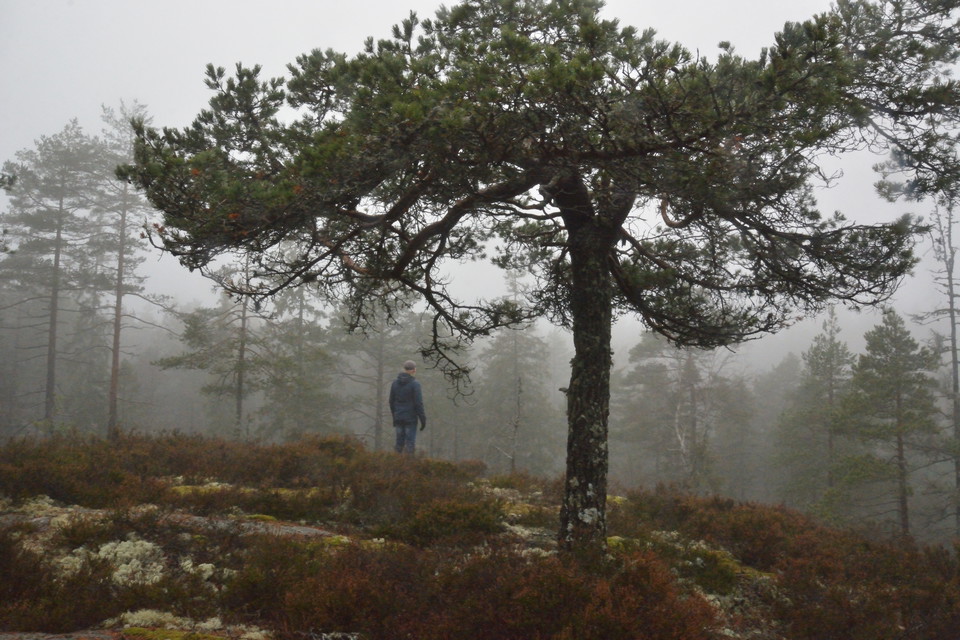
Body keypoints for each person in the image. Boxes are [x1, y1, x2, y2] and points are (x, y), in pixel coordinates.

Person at [389, 360, 427, 454]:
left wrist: (394, 416)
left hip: (398, 417)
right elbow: (418, 403)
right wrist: (423, 419)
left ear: (404, 369)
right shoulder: (415, 384)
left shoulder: (394, 383)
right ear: (414, 370)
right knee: (410, 444)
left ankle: (395, 464)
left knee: (399, 444)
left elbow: (391, 401)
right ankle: (409, 466)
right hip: (410, 419)